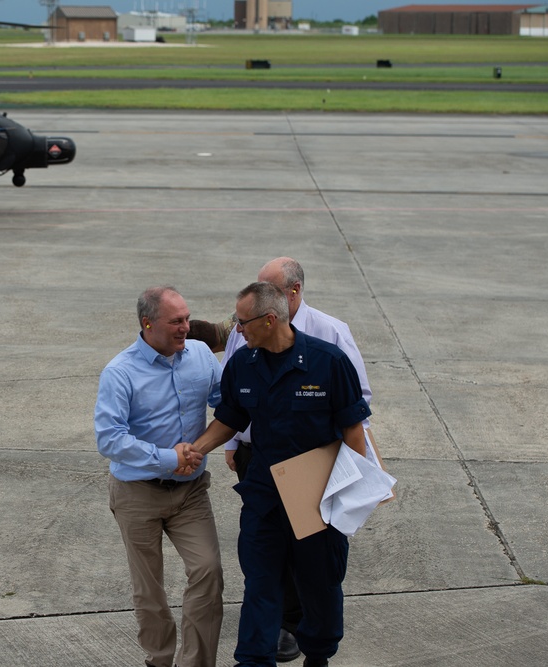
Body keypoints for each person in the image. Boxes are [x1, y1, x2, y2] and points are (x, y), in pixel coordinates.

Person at [187, 257, 372, 662]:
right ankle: (254, 659)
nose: (235, 331)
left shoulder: (328, 361)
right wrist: (197, 449)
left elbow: (354, 432)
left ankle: (318, 655)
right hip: (265, 494)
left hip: (317, 495)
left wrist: (351, 496)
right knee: (260, 583)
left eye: (242, 323)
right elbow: (230, 418)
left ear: (269, 320)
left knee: (319, 585)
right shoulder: (243, 363)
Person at [94, 286, 225, 667]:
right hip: (137, 493)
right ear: (147, 324)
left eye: (186, 318)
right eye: (176, 322)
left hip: (191, 492)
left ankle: (196, 663)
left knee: (208, 571)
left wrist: (209, 447)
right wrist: (170, 457)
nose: (186, 327)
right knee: (148, 588)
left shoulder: (200, 354)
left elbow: (226, 403)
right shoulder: (120, 372)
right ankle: (160, 657)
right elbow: (110, 438)